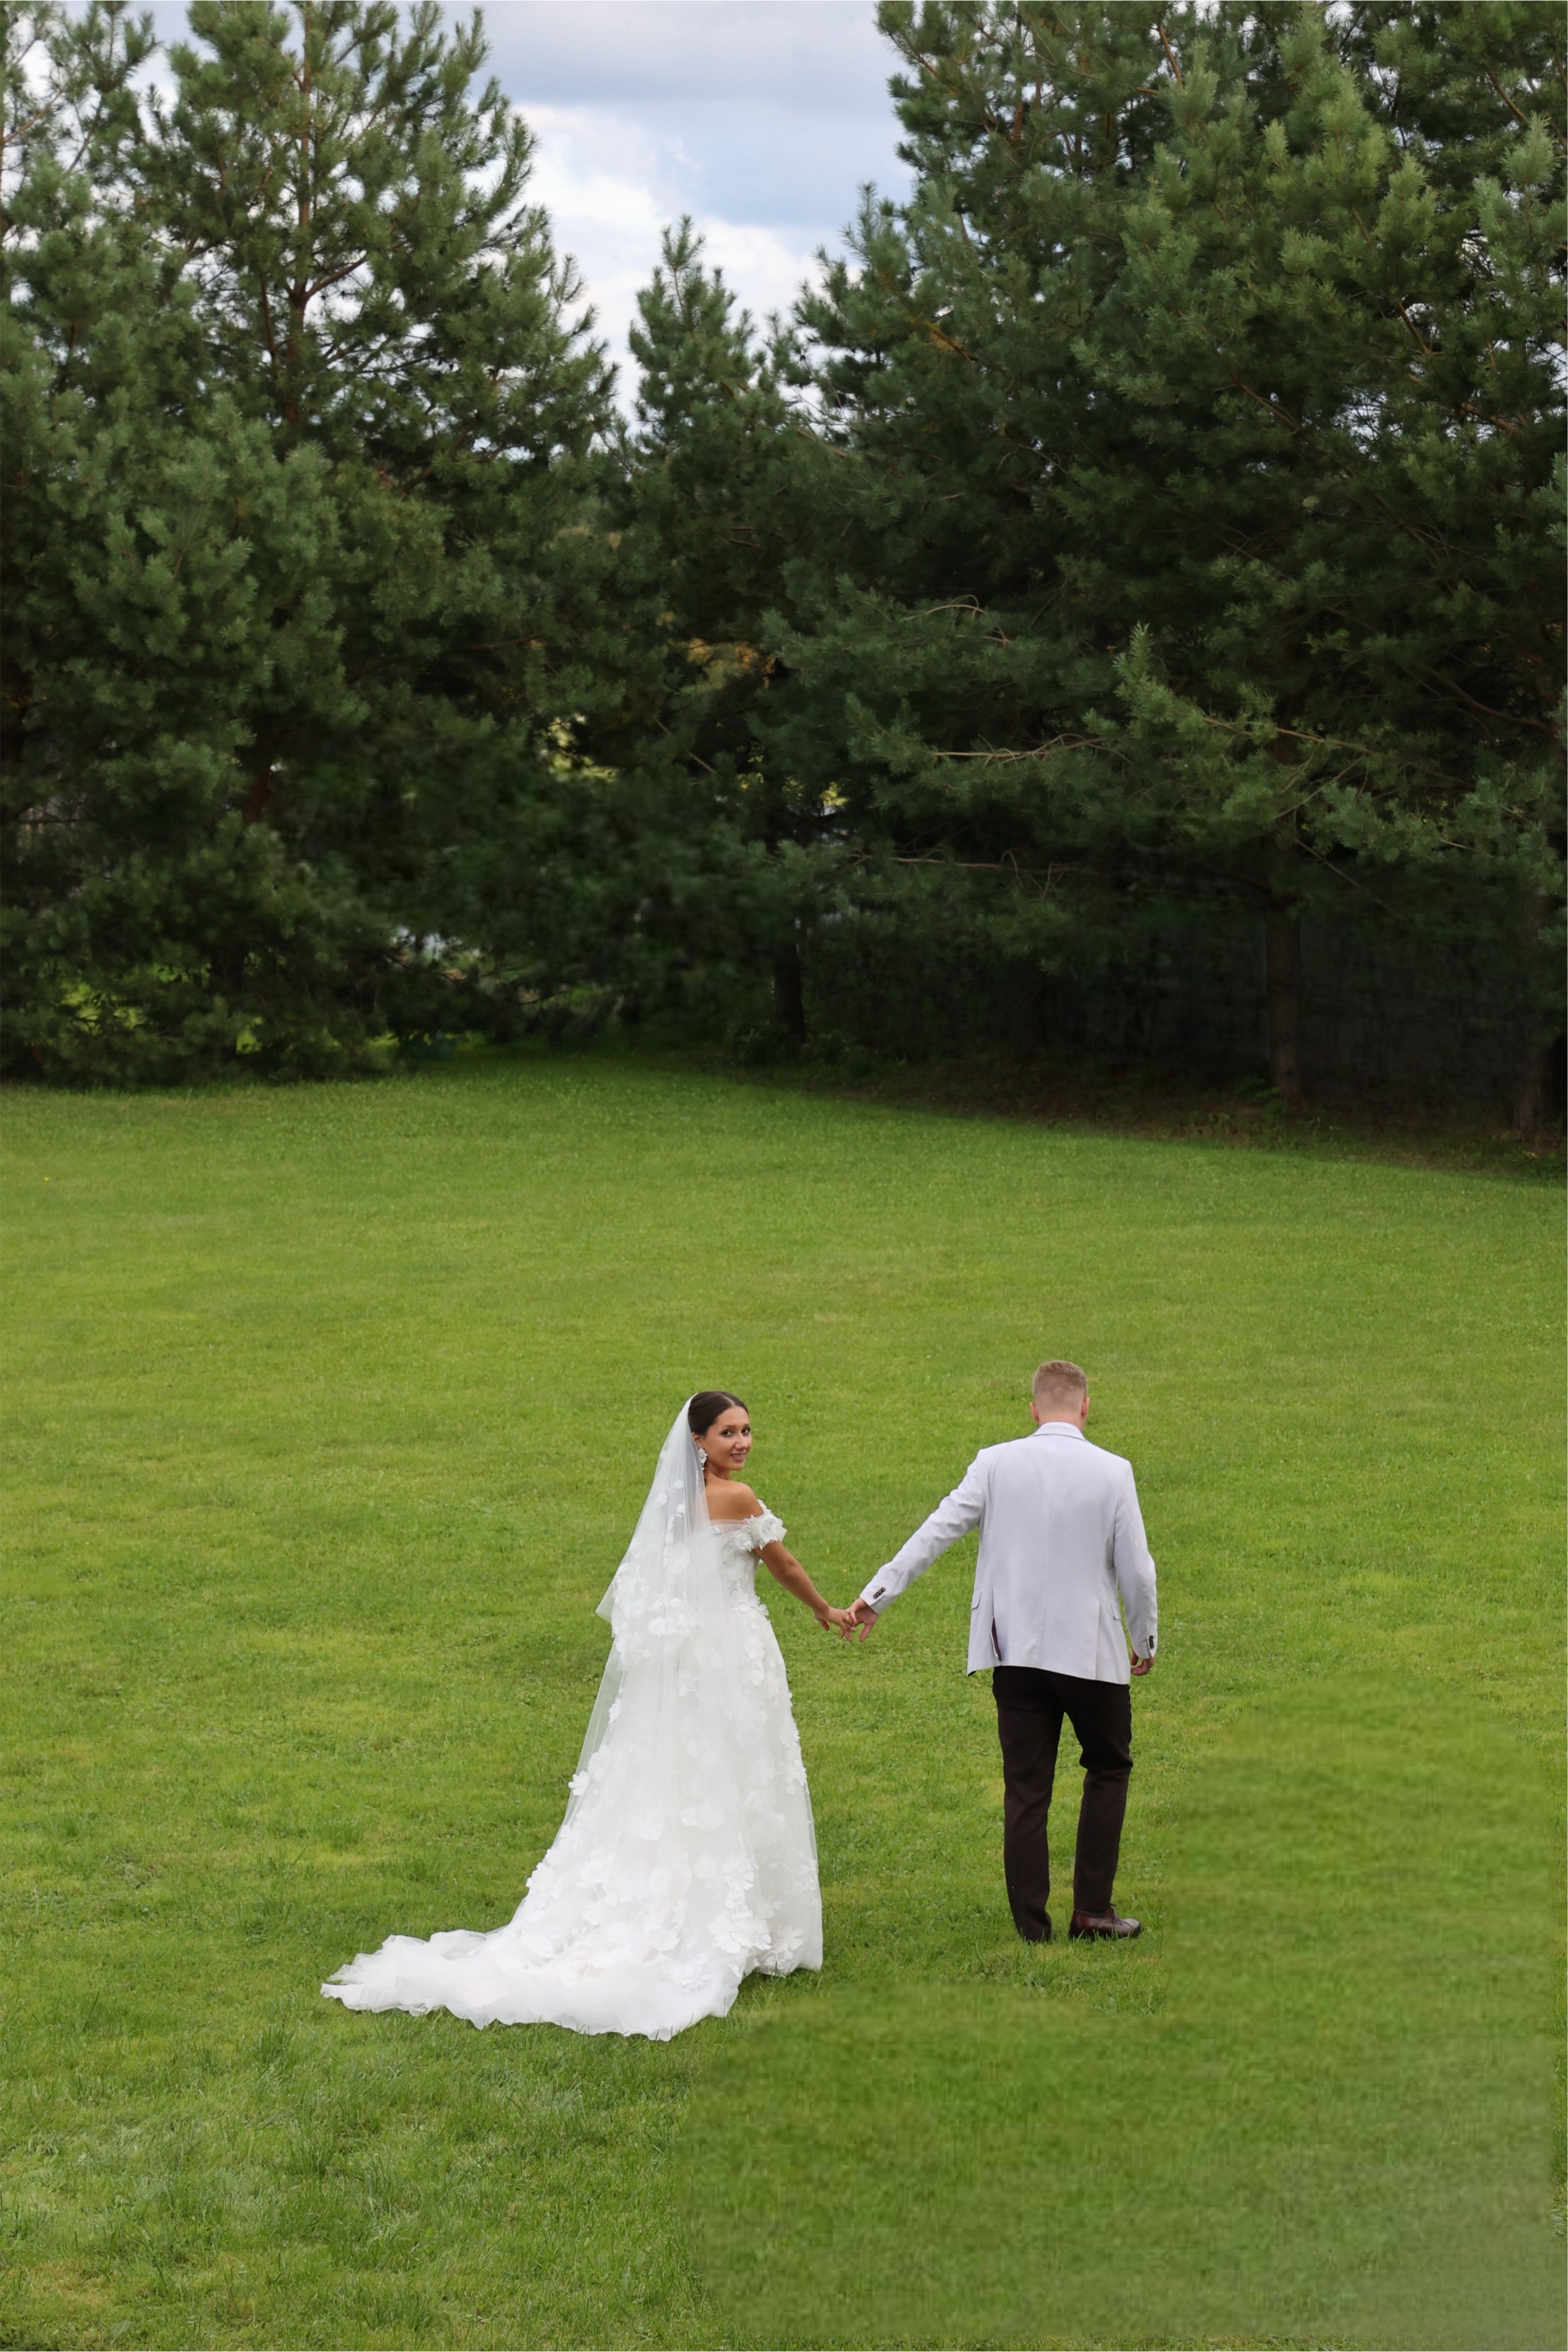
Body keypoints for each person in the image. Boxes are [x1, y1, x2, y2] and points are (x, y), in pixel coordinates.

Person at [323, 1392, 851, 2040]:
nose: (741, 1443)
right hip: (733, 1654)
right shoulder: (738, 1501)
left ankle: (707, 1904)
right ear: (697, 1442)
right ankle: (738, 1919)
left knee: (683, 1773)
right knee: (739, 1767)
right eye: (727, 1433)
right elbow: (783, 1563)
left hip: (686, 1663)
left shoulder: (669, 1509)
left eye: (747, 1431)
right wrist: (826, 1610)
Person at [845, 1360, 1157, 1943]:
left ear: (1034, 1410)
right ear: (1086, 1407)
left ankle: (1031, 1928)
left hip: (1014, 1653)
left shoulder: (995, 1462)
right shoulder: (1114, 1472)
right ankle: (1092, 1911)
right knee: (1109, 1768)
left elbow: (936, 1531)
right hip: (1093, 1656)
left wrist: (875, 1596)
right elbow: (1137, 1571)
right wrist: (1146, 1639)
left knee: (1027, 1786)